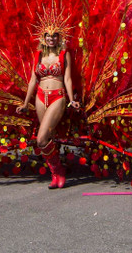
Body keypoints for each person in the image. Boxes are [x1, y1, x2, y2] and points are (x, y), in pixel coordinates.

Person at [17, 23, 80, 188]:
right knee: (48, 138)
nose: (51, 38)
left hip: (57, 97)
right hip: (39, 97)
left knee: (41, 139)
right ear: (43, 38)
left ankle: (59, 170)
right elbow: (32, 80)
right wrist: (25, 103)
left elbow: (67, 79)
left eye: (54, 35)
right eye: (48, 35)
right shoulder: (38, 55)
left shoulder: (64, 54)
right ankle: (55, 174)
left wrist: (72, 99)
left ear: (59, 38)